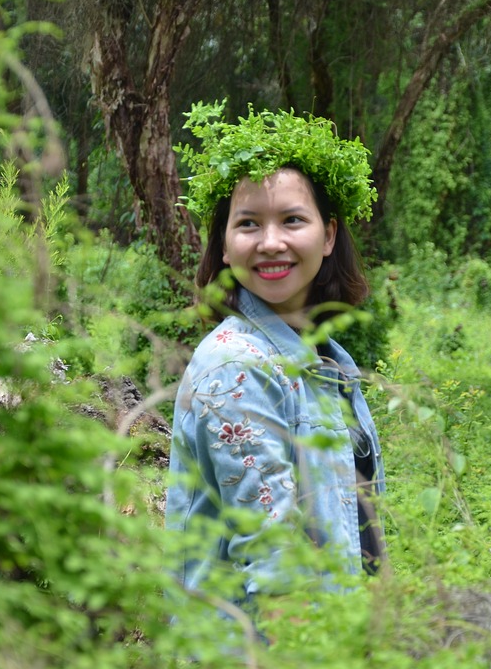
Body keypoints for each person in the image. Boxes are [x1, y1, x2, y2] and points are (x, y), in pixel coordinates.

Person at [165, 103, 385, 610]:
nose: (271, 243)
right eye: (247, 224)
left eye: (292, 220)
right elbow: (275, 558)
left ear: (328, 235)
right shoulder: (236, 367)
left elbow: (361, 523)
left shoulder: (331, 361)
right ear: (223, 245)